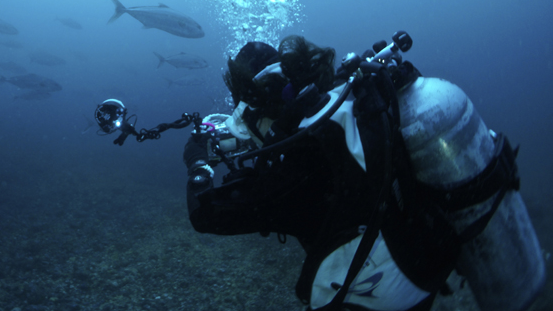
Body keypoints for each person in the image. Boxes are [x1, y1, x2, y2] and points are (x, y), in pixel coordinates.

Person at [182, 35, 544, 311]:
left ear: (264, 104)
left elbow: (207, 214)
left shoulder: (297, 166)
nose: (243, 123)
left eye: (245, 112)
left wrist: (198, 162)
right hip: (420, 266)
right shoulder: (347, 108)